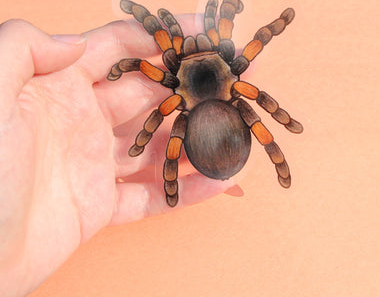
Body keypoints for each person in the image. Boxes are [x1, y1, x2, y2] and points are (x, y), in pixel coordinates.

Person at [0, 17, 235, 297]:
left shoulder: (174, 85)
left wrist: (130, 64)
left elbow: (141, 67)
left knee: (172, 142)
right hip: (221, 125)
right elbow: (141, 68)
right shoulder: (230, 80)